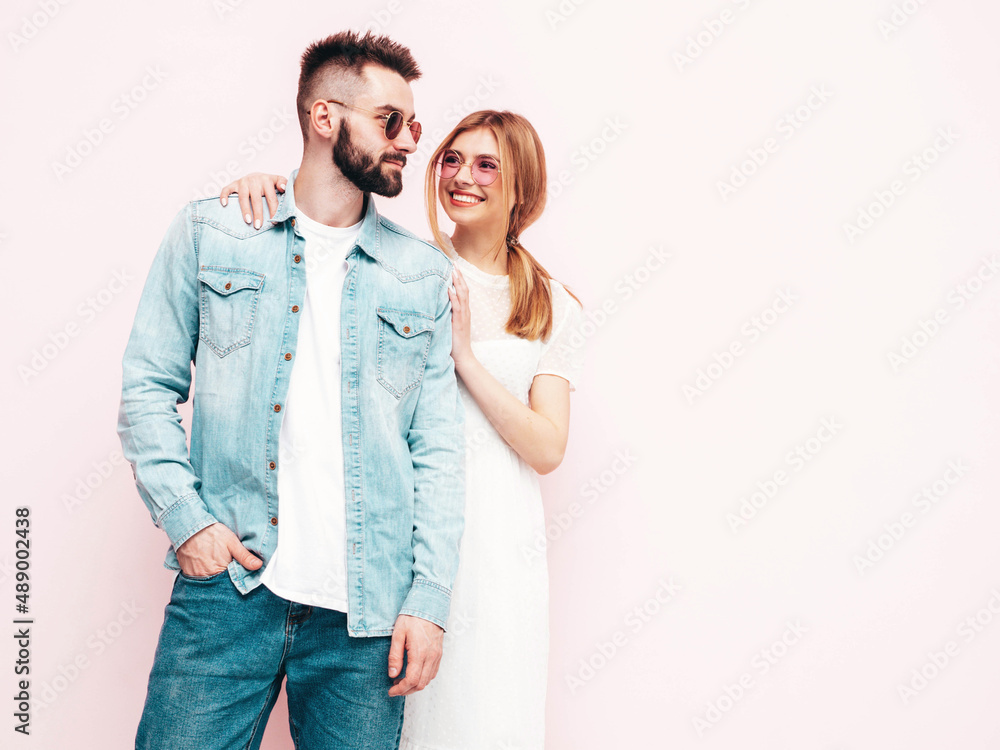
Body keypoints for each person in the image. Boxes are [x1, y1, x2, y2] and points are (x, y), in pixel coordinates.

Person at [117, 31, 465, 750]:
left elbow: (437, 451)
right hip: (229, 597)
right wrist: (188, 519)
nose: (407, 143)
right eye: (389, 121)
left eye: (415, 125)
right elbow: (146, 388)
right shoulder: (215, 232)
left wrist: (428, 600)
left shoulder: (421, 274)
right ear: (324, 117)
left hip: (366, 622)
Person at [222, 109, 584, 749]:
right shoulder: (404, 266)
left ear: (521, 187)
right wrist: (267, 186)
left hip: (501, 548)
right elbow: (323, 231)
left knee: (489, 716)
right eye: (451, 158)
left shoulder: (551, 303)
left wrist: (465, 358)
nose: (460, 176)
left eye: (485, 165)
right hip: (397, 537)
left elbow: (547, 446)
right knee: (399, 718)